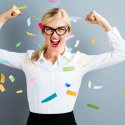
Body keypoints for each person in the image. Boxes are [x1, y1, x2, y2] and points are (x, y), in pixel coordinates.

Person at [0, 5, 125, 125]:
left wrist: (102, 23)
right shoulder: (28, 59)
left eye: (61, 29)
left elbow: (122, 53)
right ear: (43, 31)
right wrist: (4, 17)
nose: (55, 35)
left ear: (68, 31)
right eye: (49, 29)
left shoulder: (79, 61)